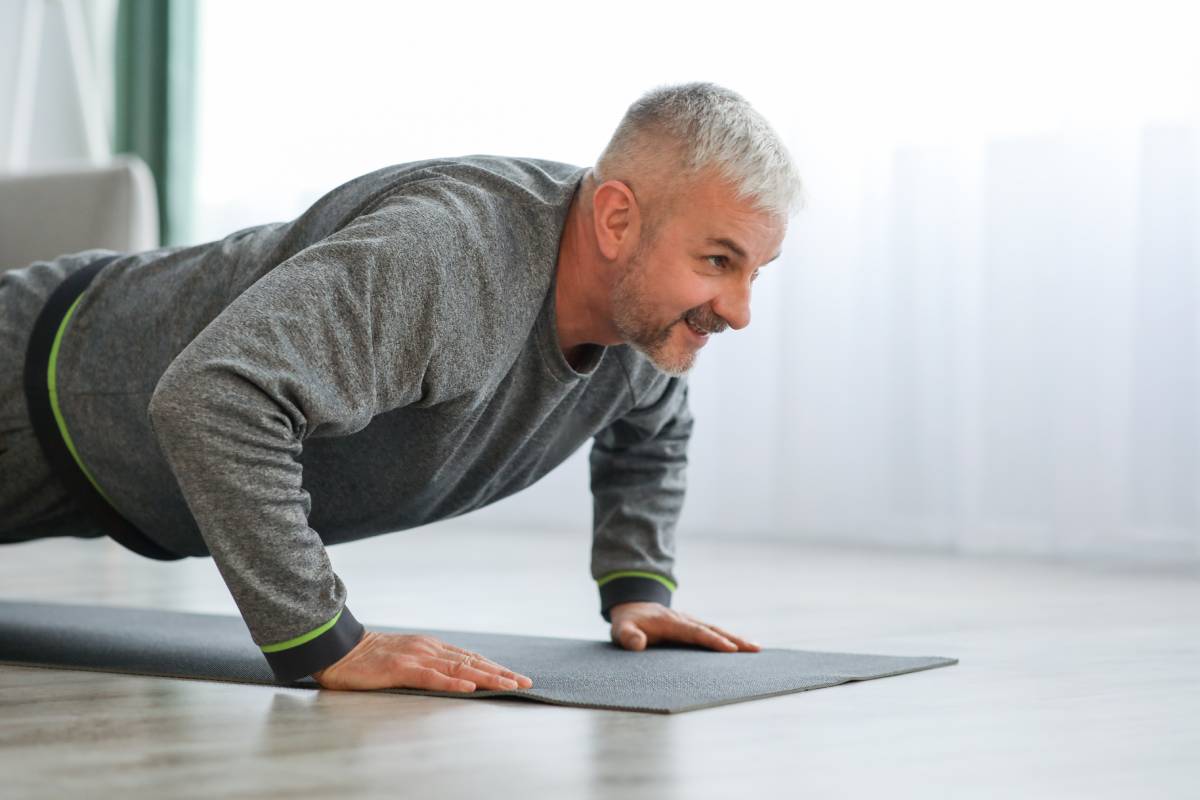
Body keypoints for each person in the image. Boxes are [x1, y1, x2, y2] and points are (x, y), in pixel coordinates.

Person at [0, 81, 803, 693]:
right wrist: (325, 641)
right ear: (618, 220)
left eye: (753, 273)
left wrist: (636, 585)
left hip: (105, 471)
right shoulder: (447, 256)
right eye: (717, 261)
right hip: (36, 376)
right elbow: (216, 397)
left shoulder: (640, 327)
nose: (736, 311)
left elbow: (653, 427)